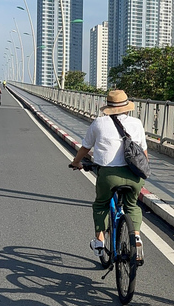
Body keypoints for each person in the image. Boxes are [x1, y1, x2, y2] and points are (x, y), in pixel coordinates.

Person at [70, 89, 148, 263]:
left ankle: (99, 241)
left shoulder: (99, 123)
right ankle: (136, 238)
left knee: (101, 204)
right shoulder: (136, 123)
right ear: (127, 107)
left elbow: (85, 148)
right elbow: (144, 153)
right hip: (134, 175)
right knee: (132, 206)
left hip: (108, 175)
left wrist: (76, 162)